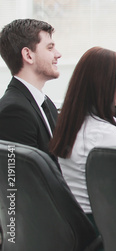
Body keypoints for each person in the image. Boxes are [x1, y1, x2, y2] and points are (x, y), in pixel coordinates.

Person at [49, 47, 116, 223]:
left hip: (75, 224)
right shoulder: (106, 134)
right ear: (102, 83)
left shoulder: (72, 126)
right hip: (99, 228)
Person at [0, 19, 61, 164]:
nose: (58, 54)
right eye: (50, 48)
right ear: (28, 55)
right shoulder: (13, 111)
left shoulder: (47, 104)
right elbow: (14, 180)